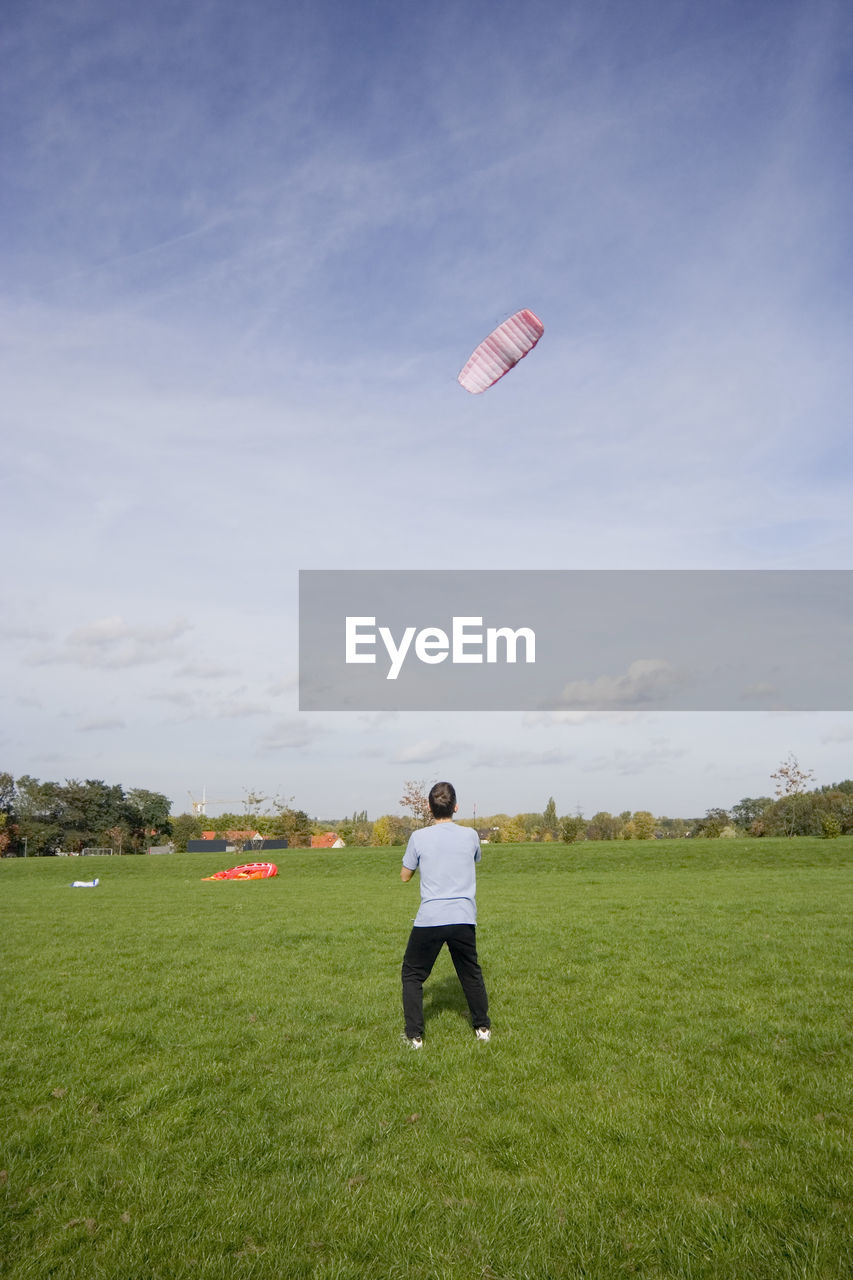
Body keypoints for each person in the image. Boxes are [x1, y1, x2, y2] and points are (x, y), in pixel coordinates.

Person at [400, 781, 491, 1049]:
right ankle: (482, 1028)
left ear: (429, 807)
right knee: (470, 973)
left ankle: (414, 1036)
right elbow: (474, 859)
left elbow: (405, 877)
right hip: (463, 917)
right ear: (456, 807)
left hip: (431, 918)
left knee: (413, 974)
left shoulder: (419, 838)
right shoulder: (471, 835)